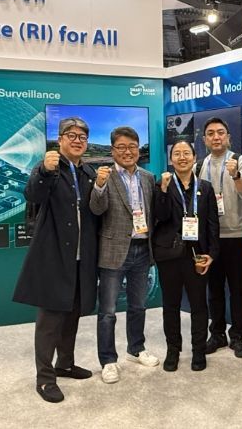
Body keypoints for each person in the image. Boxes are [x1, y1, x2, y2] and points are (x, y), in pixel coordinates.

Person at [13, 117, 99, 403]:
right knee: (49, 321)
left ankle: (65, 364)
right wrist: (44, 171)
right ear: (60, 140)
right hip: (54, 257)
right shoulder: (48, 167)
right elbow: (33, 195)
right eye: (71, 135)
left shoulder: (87, 171)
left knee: (72, 314)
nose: (77, 140)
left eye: (82, 137)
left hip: (81, 258)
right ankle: (45, 378)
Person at [89, 126, 159, 384]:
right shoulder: (105, 176)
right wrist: (99, 186)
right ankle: (108, 360)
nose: (127, 152)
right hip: (113, 251)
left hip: (142, 249)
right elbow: (96, 209)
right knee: (107, 311)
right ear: (112, 150)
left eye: (132, 147)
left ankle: (136, 348)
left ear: (138, 149)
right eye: (121, 147)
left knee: (138, 305)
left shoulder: (148, 178)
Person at [152, 139, 219, 372]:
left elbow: (212, 223)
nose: (182, 157)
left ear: (194, 157)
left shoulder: (206, 187)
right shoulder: (162, 183)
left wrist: (212, 253)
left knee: (199, 305)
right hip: (169, 254)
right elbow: (160, 216)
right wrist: (162, 190)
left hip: (197, 254)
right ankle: (173, 350)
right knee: (170, 305)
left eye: (186, 153)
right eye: (177, 154)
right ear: (171, 160)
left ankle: (199, 350)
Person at [198, 117, 242, 358]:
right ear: (204, 139)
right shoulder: (200, 165)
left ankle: (238, 336)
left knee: (237, 289)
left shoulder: (240, 161)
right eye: (211, 133)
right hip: (210, 238)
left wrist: (236, 176)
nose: (216, 137)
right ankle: (218, 333)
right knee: (214, 289)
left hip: (236, 235)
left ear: (228, 137)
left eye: (220, 132)